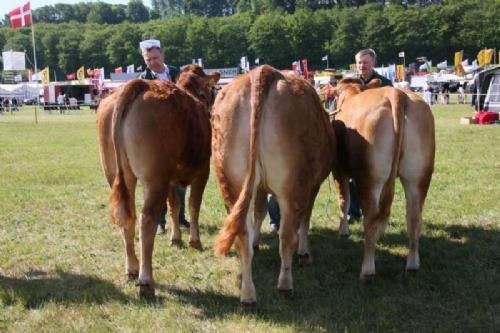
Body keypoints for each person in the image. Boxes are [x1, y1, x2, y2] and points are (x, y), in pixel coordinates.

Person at [138, 39, 189, 234]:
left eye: (155, 57)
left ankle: (180, 218)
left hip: (181, 133)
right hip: (156, 137)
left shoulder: (178, 73)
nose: (152, 62)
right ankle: (160, 222)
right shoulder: (143, 79)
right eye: (148, 59)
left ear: (163, 55)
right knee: (157, 182)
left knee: (181, 179)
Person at [348, 48, 393, 223]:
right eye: (359, 62)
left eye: (365, 62)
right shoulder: (350, 82)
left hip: (379, 136)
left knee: (380, 175)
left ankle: (381, 213)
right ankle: (353, 212)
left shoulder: (385, 83)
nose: (362, 66)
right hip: (355, 135)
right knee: (352, 175)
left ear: (373, 63)